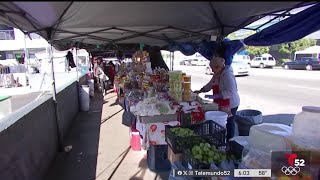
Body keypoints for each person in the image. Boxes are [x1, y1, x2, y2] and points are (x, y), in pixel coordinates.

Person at [194, 57, 240, 141]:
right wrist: (201, 90)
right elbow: (210, 85)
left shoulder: (227, 75)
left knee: (229, 122)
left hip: (231, 103)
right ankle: (220, 137)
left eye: (213, 68)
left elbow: (231, 91)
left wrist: (217, 96)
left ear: (218, 67)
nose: (212, 71)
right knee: (221, 122)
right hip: (221, 103)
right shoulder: (217, 74)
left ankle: (230, 140)